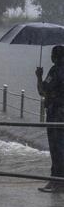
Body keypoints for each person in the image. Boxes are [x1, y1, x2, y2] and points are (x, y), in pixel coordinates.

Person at [36, 45, 64, 192]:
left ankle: (57, 181)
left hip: (56, 113)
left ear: (55, 57)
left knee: (55, 147)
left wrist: (39, 76)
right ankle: (57, 180)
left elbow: (43, 91)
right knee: (61, 147)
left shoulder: (55, 70)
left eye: (52, 55)